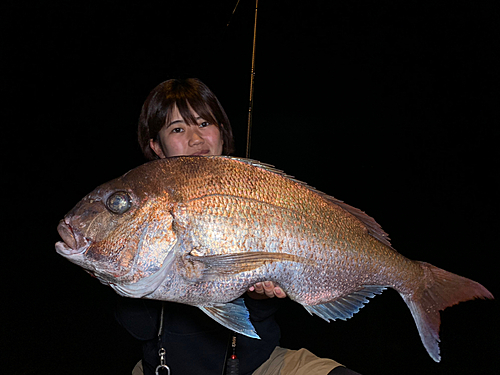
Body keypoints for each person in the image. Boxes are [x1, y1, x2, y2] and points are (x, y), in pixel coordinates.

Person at [116, 78, 361, 375]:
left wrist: (258, 296)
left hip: (257, 364)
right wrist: (115, 270)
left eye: (204, 123)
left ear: (221, 133)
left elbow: (256, 316)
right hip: (165, 368)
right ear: (157, 146)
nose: (196, 139)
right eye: (178, 129)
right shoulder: (147, 203)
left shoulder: (254, 190)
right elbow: (140, 327)